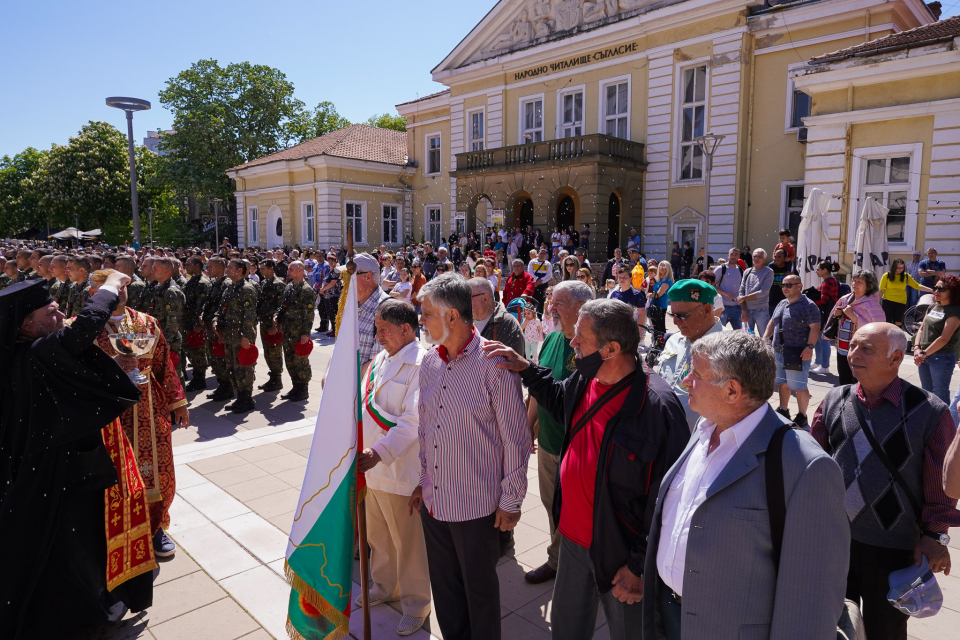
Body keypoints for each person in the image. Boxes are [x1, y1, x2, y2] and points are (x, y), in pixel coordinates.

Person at [486, 298, 690, 640]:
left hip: (619, 552)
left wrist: (638, 566)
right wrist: (526, 369)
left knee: (631, 633)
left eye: (581, 336)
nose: (572, 342)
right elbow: (558, 399)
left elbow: (671, 500)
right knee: (567, 629)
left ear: (610, 348)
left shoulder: (657, 408)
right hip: (572, 540)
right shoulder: (586, 378)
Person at [645, 331, 849, 640]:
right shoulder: (704, 426)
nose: (686, 381)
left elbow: (812, 597)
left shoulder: (805, 466)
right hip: (668, 616)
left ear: (732, 390)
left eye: (696, 374)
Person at [0, 273, 157, 639]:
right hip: (53, 473)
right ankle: (75, 617)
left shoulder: (20, 352)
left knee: (70, 544)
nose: (59, 318)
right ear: (26, 323)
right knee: (66, 548)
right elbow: (82, 329)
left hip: (53, 466)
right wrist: (109, 287)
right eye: (50, 312)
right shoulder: (37, 352)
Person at [811, 323, 960, 640]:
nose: (854, 355)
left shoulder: (930, 412)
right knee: (833, 627)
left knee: (885, 631)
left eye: (867, 349)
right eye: (853, 346)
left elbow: (942, 487)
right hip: (836, 543)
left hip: (894, 550)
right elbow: (814, 468)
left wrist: (935, 537)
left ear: (896, 359)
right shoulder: (834, 399)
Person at [410, 274, 531, 640]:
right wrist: (423, 480)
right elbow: (426, 428)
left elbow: (517, 438)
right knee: (446, 592)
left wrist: (511, 500)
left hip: (477, 508)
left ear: (451, 317)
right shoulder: (430, 362)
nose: (421, 320)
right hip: (435, 502)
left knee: (479, 594)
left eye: (427, 313)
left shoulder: (492, 362)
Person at [86, 270, 189, 558]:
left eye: (123, 288)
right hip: (107, 411)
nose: (119, 292)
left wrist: (177, 402)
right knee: (112, 472)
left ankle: (155, 529)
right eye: (110, 288)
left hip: (148, 407)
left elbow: (163, 365)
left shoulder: (147, 322)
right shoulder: (82, 328)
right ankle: (112, 532)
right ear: (95, 293)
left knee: (156, 470)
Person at [354, 300, 431, 636]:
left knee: (409, 544)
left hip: (400, 470)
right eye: (377, 327)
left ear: (406, 329)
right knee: (379, 537)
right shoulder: (382, 358)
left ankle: (417, 604)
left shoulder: (423, 363)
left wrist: (379, 452)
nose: (378, 335)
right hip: (372, 469)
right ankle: (384, 587)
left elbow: (414, 421)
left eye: (384, 328)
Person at [522, 280, 594, 585]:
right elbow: (540, 389)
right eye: (551, 301)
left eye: (558, 303)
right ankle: (559, 556)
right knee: (552, 505)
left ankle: (568, 565)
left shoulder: (593, 346)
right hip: (551, 444)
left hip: (579, 450)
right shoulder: (551, 339)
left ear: (580, 308)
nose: (550, 308)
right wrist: (527, 430)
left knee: (575, 512)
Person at [657, 279, 723, 430]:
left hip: (702, 441)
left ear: (706, 310)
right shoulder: (674, 340)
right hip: (664, 433)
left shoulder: (729, 348)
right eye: (672, 314)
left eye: (682, 315)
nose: (675, 322)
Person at [763, 274, 821, 426]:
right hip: (778, 351)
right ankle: (784, 410)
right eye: (783, 285)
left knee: (799, 386)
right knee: (782, 383)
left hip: (797, 353)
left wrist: (809, 347)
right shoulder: (782, 303)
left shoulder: (809, 305)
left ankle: (802, 416)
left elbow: (815, 327)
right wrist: (764, 339)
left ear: (799, 286)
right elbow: (772, 322)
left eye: (789, 285)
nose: (785, 288)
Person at [213, 259, 259, 413]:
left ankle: (247, 399)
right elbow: (222, 310)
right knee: (232, 367)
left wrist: (246, 335)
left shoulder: (246, 288)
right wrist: (217, 323)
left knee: (243, 368)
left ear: (240, 270)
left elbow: (250, 315)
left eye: (230, 267)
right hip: (229, 334)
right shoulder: (229, 288)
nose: (227, 269)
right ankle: (239, 397)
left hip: (241, 335)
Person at [829, 270, 885, 385]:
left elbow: (878, 330)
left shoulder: (872, 304)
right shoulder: (845, 299)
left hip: (861, 351)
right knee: (844, 381)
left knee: (858, 382)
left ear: (869, 286)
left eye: (859, 282)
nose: (855, 284)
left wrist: (853, 316)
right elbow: (834, 318)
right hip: (843, 347)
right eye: (854, 281)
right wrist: (837, 314)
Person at [914, 274, 960, 407]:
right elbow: (921, 329)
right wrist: (917, 348)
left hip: (941, 357)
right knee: (926, 393)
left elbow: (944, 338)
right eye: (935, 288)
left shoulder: (955, 310)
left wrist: (923, 354)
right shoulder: (933, 306)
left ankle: (943, 426)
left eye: (942, 289)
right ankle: (930, 425)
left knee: (940, 395)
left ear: (953, 291)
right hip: (924, 355)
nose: (936, 291)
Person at [276, 262, 315, 402]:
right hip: (287, 331)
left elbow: (309, 314)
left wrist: (305, 333)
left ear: (300, 270)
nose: (288, 271)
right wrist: (277, 317)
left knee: (300, 362)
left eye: (291, 269)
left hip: (298, 333)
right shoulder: (289, 286)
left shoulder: (306, 290)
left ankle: (303, 389)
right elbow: (283, 306)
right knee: (290, 361)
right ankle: (295, 387)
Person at [202, 257, 232, 399]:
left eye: (210, 266)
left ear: (220, 267)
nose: (208, 269)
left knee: (221, 359)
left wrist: (220, 327)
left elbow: (224, 308)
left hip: (218, 327)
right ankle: (222, 385)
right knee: (213, 358)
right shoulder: (214, 283)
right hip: (210, 326)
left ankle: (227, 387)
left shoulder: (226, 284)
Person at [255, 259, 286, 392]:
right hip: (264, 322)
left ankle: (277, 379)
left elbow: (282, 306)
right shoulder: (264, 283)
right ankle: (272, 377)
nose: (260, 271)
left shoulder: (278, 285)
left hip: (273, 324)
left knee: (275, 352)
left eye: (263, 269)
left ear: (270, 269)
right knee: (267, 352)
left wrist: (276, 325)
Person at [182, 256, 212, 391]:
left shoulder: (202, 283)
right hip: (187, 322)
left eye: (189, 264)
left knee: (198, 352)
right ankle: (197, 376)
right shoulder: (191, 280)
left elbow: (202, 306)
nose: (186, 266)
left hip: (195, 324)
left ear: (197, 266)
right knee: (191, 351)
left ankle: (200, 378)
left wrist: (198, 325)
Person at [810, 259, 841, 374]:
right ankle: (818, 362)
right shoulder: (833, 280)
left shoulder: (827, 282)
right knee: (819, 338)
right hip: (829, 313)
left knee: (823, 339)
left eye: (818, 269)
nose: (816, 271)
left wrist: (811, 302)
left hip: (824, 314)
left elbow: (823, 300)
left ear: (825, 270)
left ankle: (824, 366)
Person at [880, 258, 931, 327]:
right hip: (888, 301)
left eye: (902, 268)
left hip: (901, 302)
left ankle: (897, 337)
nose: (900, 270)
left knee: (898, 322)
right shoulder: (886, 275)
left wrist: (931, 290)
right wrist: (877, 301)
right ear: (894, 267)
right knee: (887, 322)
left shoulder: (906, 276)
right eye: (898, 268)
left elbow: (917, 286)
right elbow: (881, 289)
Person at [736, 248, 774, 335]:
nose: (756, 258)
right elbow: (741, 290)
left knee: (765, 338)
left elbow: (763, 292)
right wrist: (744, 310)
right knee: (747, 339)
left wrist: (744, 298)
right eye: (755, 256)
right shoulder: (747, 271)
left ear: (764, 259)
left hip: (761, 311)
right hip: (747, 310)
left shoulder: (768, 272)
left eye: (759, 257)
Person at [713, 248, 743, 330]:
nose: (733, 256)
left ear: (739, 256)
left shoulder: (740, 270)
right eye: (732, 254)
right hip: (722, 306)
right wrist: (725, 293)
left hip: (737, 307)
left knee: (739, 334)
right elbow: (712, 285)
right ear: (728, 255)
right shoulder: (720, 269)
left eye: (736, 254)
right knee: (719, 332)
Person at [646, 262, 674, 336]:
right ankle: (656, 344)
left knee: (660, 328)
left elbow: (658, 294)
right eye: (660, 265)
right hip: (655, 305)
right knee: (655, 328)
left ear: (668, 268)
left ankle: (661, 345)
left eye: (663, 266)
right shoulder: (660, 279)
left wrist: (649, 294)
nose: (661, 267)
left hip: (661, 306)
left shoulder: (667, 280)